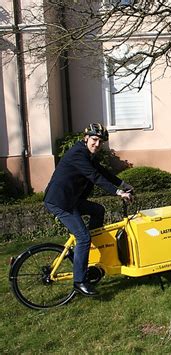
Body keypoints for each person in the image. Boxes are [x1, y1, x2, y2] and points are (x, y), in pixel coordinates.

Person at [44, 123, 133, 296]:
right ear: (86, 138)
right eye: (94, 139)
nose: (97, 144)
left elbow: (102, 171)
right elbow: (94, 176)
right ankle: (79, 281)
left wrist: (123, 184)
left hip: (71, 199)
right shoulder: (78, 153)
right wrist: (118, 192)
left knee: (97, 210)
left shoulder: (87, 154)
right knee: (83, 237)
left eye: (101, 141)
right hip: (60, 202)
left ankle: (89, 252)